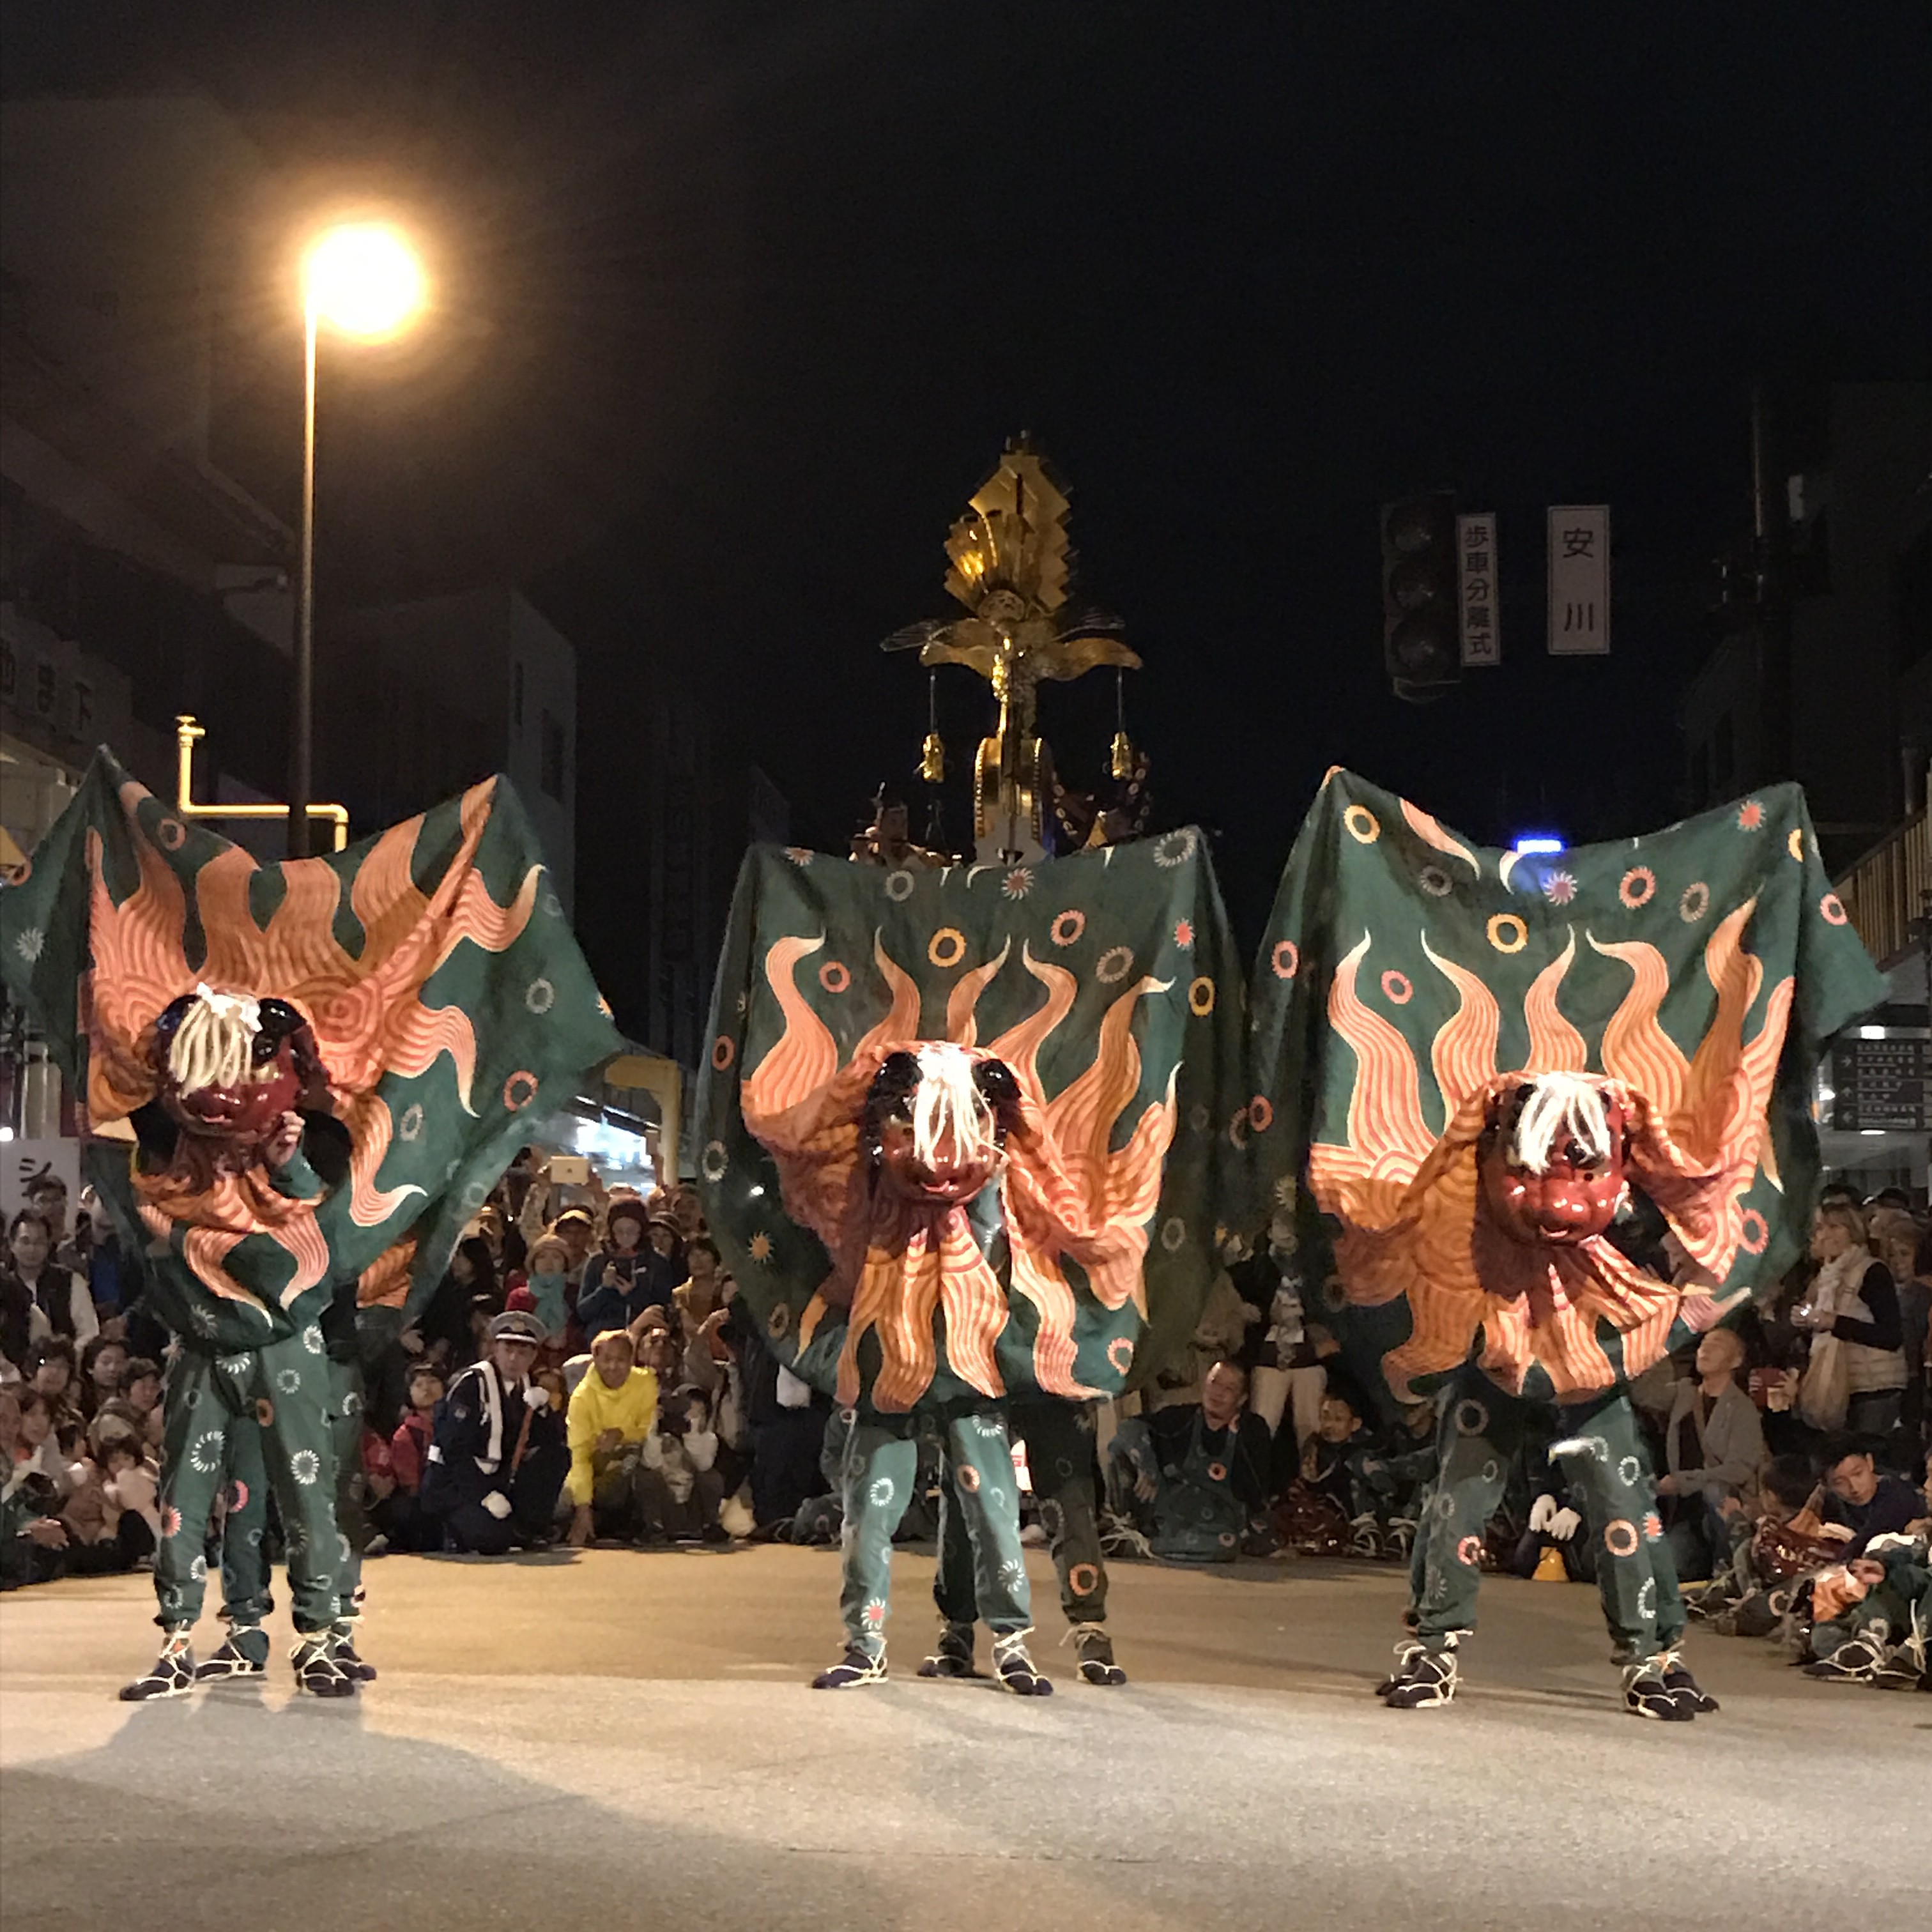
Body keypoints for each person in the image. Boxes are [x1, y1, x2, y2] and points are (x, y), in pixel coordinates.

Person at [924, 1395, 1127, 1687]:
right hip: (976, 1371)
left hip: (1049, 1378)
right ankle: (957, 1628)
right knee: (965, 1499)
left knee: (1071, 1505)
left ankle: (1090, 1627)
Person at [420, 1309, 567, 1554]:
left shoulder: (527, 1385)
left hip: (496, 1480)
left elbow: (550, 1441)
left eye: (522, 1353)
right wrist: (484, 1495)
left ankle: (526, 1529)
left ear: (533, 1357)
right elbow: (453, 1452)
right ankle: (452, 1528)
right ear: (495, 1349)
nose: (513, 1359)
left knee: (557, 1456)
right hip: (454, 1485)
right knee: (492, 1541)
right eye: (507, 1350)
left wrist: (543, 1412)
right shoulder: (471, 1384)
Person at [1109, 1361, 1274, 1563]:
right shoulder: (1182, 1417)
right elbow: (1130, 1427)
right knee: (1119, 1446)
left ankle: (1145, 1547)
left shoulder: (1252, 1428)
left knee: (1225, 1545)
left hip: (1218, 1519)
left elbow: (1256, 1489)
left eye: (1229, 1389)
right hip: (1171, 1508)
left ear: (1241, 1399)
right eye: (1214, 1382)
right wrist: (1147, 1467)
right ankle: (1124, 1527)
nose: (1218, 1393)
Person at [1660, 1327, 1767, 1579]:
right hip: (1685, 1511)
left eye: (1716, 1344)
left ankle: (1727, 1563)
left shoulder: (1742, 1409)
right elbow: (1646, 1393)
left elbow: (1738, 1468)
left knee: (1715, 1489)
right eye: (1702, 1344)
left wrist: (1684, 1481)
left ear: (1736, 1360)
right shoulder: (1685, 1394)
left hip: (1719, 1508)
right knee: (1670, 1567)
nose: (1704, 1350)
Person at [1798, 1202, 1907, 1437]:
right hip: (1839, 1385)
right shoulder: (1825, 1278)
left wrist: (1835, 1323)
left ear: (1853, 1230)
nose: (1826, 1234)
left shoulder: (1872, 1271)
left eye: (1835, 1226)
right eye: (1821, 1228)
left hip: (1873, 1387)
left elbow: (1891, 1335)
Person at [562, 1327, 660, 1546]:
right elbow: (579, 1456)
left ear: (632, 1359)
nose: (613, 1367)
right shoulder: (581, 1398)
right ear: (595, 1358)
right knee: (567, 1498)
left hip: (638, 1460)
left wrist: (621, 1433)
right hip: (595, 1469)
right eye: (607, 1359)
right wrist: (583, 1510)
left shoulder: (646, 1382)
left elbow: (648, 1429)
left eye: (621, 1360)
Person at [640, 1384, 728, 1542]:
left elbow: (703, 1465)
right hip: (666, 1504)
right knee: (646, 1476)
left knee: (712, 1477)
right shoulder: (658, 1437)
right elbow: (650, 1463)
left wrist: (691, 1432)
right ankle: (655, 1528)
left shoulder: (709, 1439)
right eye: (689, 1411)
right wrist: (654, 1429)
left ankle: (709, 1525)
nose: (694, 1417)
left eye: (701, 1413)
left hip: (692, 1506)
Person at [1816, 1436, 1922, 1556]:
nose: (1854, 1488)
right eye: (1840, 1483)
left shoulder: (1896, 1496)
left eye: (1858, 1474)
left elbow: (1862, 1544)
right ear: (1826, 1485)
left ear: (1870, 1462)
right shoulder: (1831, 1501)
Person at [4, 1209, 96, 1346]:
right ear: (11, 1244)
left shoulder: (71, 1281)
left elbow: (89, 1333)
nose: (32, 1249)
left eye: (39, 1242)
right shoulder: (4, 1285)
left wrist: (67, 1359)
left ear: (48, 1244)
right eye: (25, 1241)